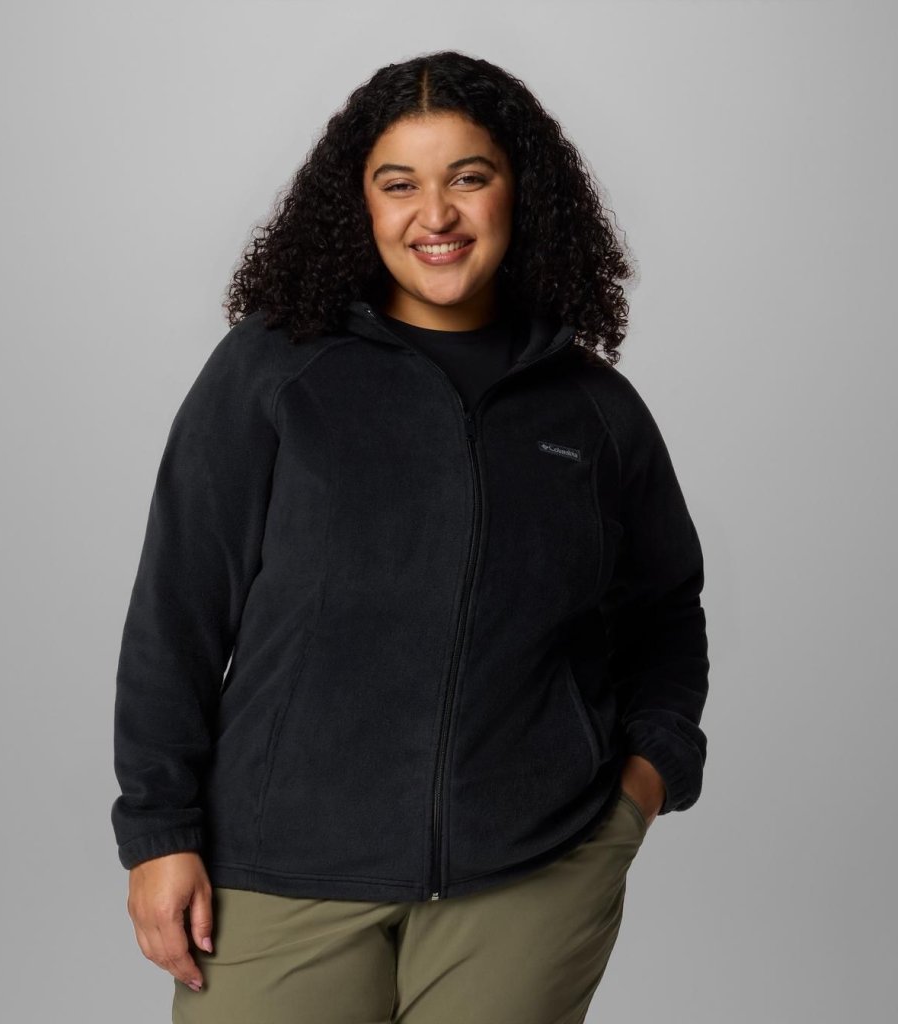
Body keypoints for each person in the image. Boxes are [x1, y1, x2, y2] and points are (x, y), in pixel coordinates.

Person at [111, 50, 710, 1024]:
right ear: (360, 204)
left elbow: (665, 610)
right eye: (399, 185)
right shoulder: (274, 373)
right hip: (278, 871)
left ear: (521, 192)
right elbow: (177, 609)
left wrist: (642, 786)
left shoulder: (593, 409)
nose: (435, 215)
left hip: (527, 876)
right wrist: (157, 831)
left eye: (468, 178)